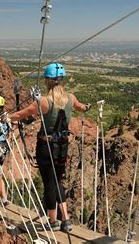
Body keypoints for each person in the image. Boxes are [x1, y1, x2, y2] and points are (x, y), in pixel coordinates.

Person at [8, 62, 89, 232]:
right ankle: (65, 219)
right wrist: (87, 107)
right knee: (58, 180)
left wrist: (5, 118)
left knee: (49, 184)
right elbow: (81, 107)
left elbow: (21, 115)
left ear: (48, 81)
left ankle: (53, 221)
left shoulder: (44, 101)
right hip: (63, 146)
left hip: (46, 147)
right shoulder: (71, 98)